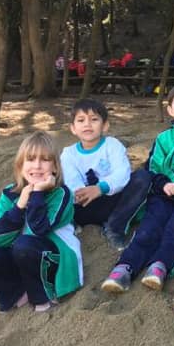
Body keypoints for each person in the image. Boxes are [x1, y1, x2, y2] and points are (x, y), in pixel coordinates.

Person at [101, 83, 174, 294]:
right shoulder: (163, 138)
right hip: (164, 191)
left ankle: (160, 266)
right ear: (170, 110)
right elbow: (153, 167)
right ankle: (125, 267)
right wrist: (164, 183)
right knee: (149, 227)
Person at [0, 132, 82, 313]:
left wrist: (37, 194)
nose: (37, 165)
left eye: (45, 160)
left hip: (51, 260)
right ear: (20, 166)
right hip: (20, 257)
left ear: (55, 167)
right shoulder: (10, 193)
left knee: (24, 244)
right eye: (31, 159)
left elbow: (38, 229)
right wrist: (19, 206)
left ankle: (42, 295)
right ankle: (16, 292)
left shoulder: (62, 194)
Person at [59, 98, 136, 250]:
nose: (87, 124)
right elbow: (71, 180)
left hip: (112, 203)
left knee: (142, 178)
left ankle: (114, 226)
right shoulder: (68, 153)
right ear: (73, 128)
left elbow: (122, 173)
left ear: (105, 125)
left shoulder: (112, 145)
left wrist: (100, 188)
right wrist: (82, 193)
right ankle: (71, 224)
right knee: (54, 183)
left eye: (94, 119)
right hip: (83, 205)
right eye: (81, 120)